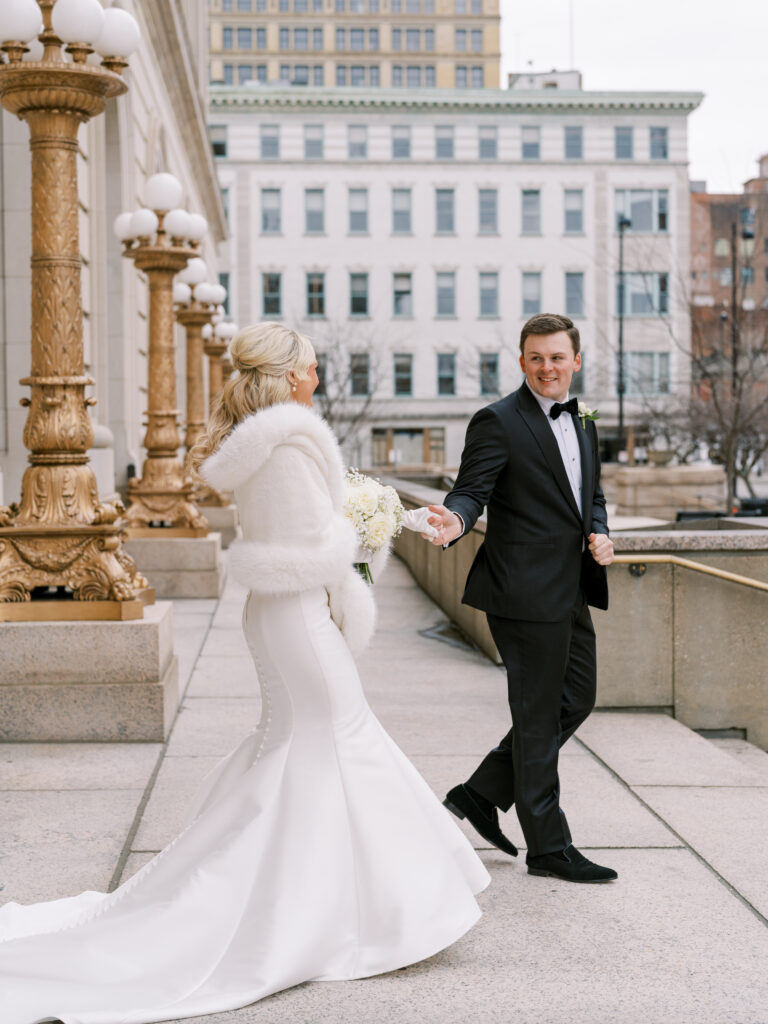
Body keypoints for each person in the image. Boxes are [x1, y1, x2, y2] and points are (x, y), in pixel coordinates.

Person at [0, 322, 489, 1024]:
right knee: (337, 741)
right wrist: (368, 528)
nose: (319, 378)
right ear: (291, 378)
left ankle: (341, 904)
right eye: (314, 368)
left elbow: (314, 517)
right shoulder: (292, 438)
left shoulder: (262, 441)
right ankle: (340, 913)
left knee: (307, 748)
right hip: (297, 617)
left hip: (280, 613)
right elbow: (308, 540)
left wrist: (398, 515)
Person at [426, 313, 618, 884]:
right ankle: (549, 847)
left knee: (575, 699)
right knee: (536, 718)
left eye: (557, 357)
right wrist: (455, 521)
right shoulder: (498, 421)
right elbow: (470, 491)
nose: (546, 368)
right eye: (535, 357)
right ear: (521, 361)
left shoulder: (583, 417)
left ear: (575, 361)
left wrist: (600, 531)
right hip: (522, 590)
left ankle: (480, 794)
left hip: (572, 585)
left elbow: (592, 492)